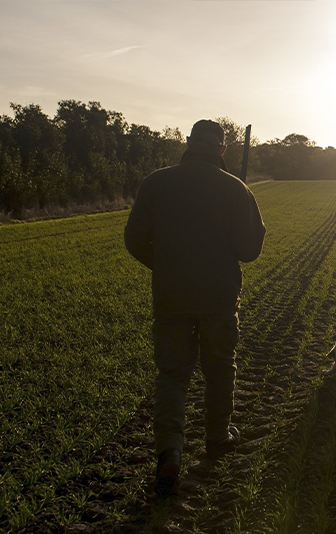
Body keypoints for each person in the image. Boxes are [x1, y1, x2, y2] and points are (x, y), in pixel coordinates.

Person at [124, 119, 265, 497]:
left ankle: (170, 450)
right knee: (219, 366)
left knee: (172, 375)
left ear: (187, 143)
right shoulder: (235, 188)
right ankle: (218, 435)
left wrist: (168, 266)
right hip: (218, 297)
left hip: (171, 296)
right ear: (221, 149)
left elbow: (135, 240)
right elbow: (250, 250)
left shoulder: (156, 181)